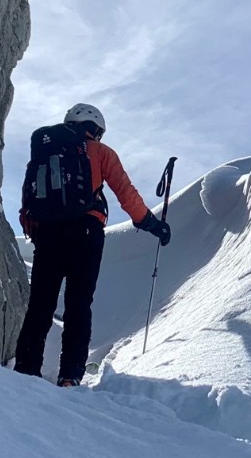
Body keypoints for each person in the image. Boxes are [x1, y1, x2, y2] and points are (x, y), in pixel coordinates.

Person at [13, 103, 170, 386]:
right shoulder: (99, 151)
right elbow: (125, 191)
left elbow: (28, 199)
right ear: (94, 128)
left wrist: (36, 232)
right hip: (86, 232)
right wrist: (151, 223)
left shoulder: (43, 153)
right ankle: (70, 376)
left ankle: (26, 369)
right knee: (79, 304)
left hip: (48, 235)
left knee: (40, 303)